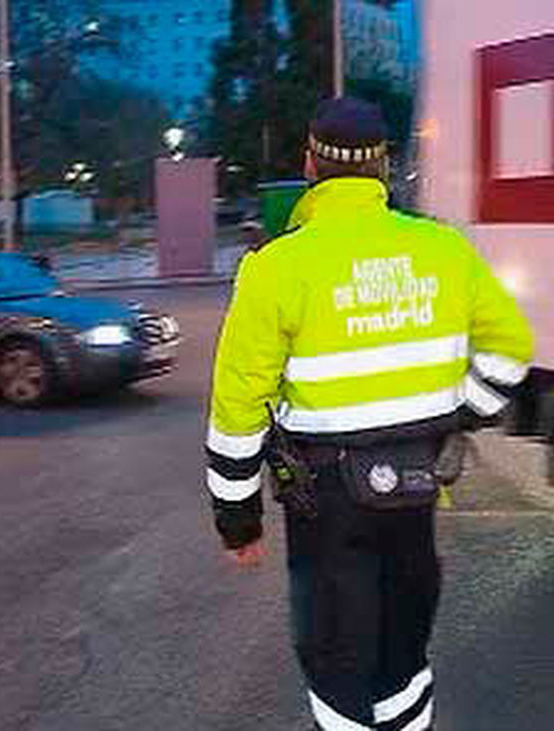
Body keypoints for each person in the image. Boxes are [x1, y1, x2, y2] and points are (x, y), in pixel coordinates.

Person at [204, 96, 534, 731]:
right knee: (403, 656)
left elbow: (238, 411)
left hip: (326, 509)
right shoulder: (443, 249)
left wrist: (237, 522)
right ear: (383, 168)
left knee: (335, 661)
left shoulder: (276, 267)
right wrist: (463, 415)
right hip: (415, 495)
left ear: (310, 164)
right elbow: (512, 350)